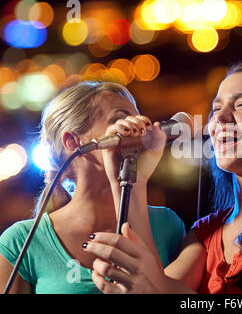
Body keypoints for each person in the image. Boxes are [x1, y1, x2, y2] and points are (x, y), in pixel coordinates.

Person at [82, 61, 242, 294]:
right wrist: (132, 178)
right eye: (216, 109)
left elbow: (156, 287)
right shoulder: (206, 233)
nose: (221, 118)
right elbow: (149, 284)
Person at [0, 81, 186, 294]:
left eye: (138, 117)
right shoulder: (21, 242)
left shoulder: (167, 225)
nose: (139, 127)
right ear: (73, 142)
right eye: (120, 119)